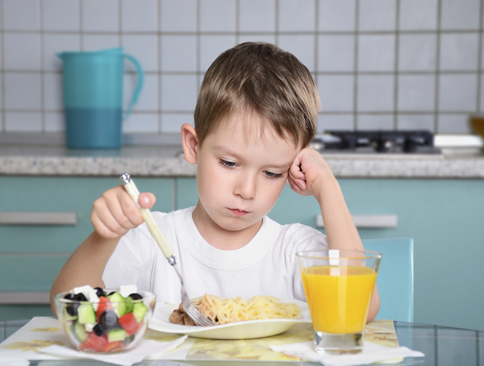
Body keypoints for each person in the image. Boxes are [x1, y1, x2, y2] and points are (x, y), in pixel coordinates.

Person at [50, 42, 380, 322]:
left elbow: (358, 310)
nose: (246, 191)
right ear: (194, 145)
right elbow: (67, 307)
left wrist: (327, 188)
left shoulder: (294, 251)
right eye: (229, 163)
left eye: (271, 173)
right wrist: (104, 237)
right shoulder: (154, 239)